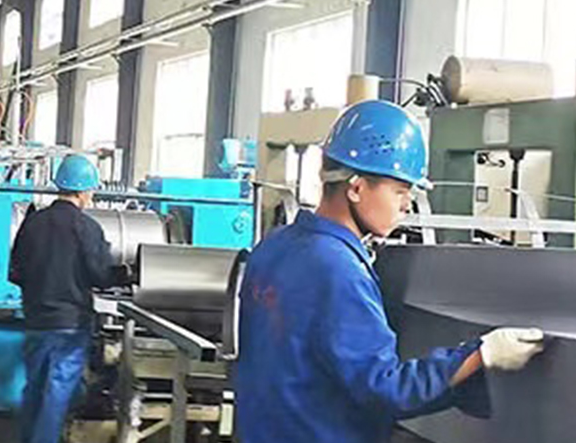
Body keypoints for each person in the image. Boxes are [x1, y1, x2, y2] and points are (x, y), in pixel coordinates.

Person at [234, 100, 546, 443]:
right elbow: (385, 389)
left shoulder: (273, 246)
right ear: (356, 188)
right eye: (399, 190)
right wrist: (480, 354)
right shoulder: (338, 269)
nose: (406, 204)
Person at [8, 155, 127, 443]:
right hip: (70, 326)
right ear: (84, 191)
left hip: (36, 320)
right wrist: (124, 275)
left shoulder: (33, 223)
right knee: (58, 393)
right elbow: (100, 275)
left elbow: (16, 271)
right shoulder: (88, 228)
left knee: (34, 390)